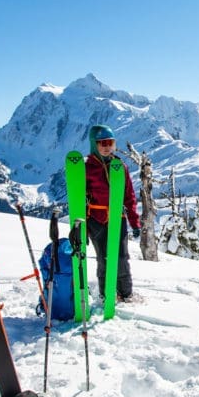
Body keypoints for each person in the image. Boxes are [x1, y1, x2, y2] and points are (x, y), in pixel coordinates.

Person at [85, 125, 141, 301]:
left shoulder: (120, 166)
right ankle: (105, 294)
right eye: (102, 143)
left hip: (118, 218)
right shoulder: (87, 168)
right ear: (94, 144)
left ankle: (126, 294)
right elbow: (79, 197)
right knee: (103, 259)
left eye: (110, 142)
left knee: (121, 258)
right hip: (96, 219)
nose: (107, 146)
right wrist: (81, 227)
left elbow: (129, 196)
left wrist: (134, 222)